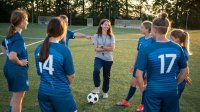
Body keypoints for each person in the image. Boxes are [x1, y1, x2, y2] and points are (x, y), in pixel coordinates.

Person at [135, 13, 189, 112]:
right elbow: (185, 71)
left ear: (154, 29)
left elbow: (138, 74)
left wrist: (142, 88)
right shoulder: (177, 48)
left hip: (153, 89)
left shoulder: (147, 49)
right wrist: (174, 83)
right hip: (171, 90)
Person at [34, 18, 77, 112]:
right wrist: (63, 85)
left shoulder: (38, 48)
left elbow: (40, 73)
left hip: (43, 91)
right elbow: (71, 76)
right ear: (62, 32)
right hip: (60, 92)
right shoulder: (63, 50)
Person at [117, 21, 154, 111]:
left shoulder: (153, 40)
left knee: (144, 85)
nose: (140, 28)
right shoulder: (141, 39)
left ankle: (142, 104)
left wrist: (149, 69)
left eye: (142, 27)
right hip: (138, 65)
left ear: (148, 29)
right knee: (133, 83)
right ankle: (126, 101)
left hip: (147, 67)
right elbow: (138, 53)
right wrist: (134, 65)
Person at [1, 9, 29, 112]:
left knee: (15, 97)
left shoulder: (10, 34)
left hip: (9, 69)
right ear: (21, 22)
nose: (27, 22)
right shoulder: (18, 38)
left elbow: (2, 45)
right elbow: (13, 56)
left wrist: (7, 54)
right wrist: (20, 62)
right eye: (26, 20)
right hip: (17, 71)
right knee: (18, 100)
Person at [91, 19, 115, 99]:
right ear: (101, 25)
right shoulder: (96, 36)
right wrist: (106, 48)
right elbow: (96, 49)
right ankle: (97, 87)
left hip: (108, 59)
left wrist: (101, 46)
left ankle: (105, 92)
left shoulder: (111, 36)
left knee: (106, 76)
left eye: (108, 25)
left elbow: (112, 48)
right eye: (105, 24)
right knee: (96, 70)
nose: (107, 26)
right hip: (99, 58)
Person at [170, 29, 192, 98]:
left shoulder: (182, 51)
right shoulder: (174, 49)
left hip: (177, 82)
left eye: (171, 38)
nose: (169, 39)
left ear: (178, 39)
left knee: (171, 105)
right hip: (171, 81)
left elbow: (185, 69)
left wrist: (176, 83)